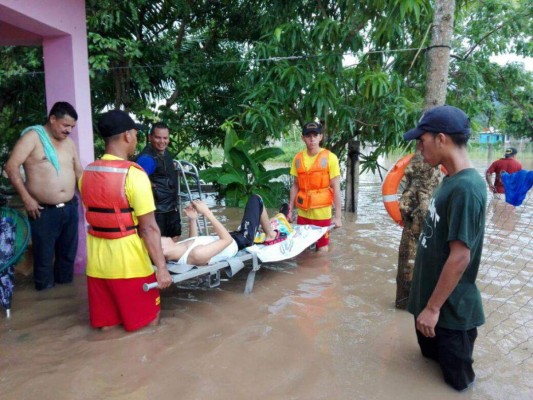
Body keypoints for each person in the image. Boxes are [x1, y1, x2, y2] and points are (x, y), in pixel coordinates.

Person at [403, 105, 487, 391]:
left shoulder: (467, 188)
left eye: (421, 139)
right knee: (428, 371)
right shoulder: (449, 180)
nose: (419, 146)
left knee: (458, 386)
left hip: (448, 315)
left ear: (441, 139)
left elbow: (461, 256)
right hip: (429, 309)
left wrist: (433, 308)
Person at [79, 110, 172, 332]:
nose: (136, 138)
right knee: (149, 321)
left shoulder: (86, 174)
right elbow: (149, 228)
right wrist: (161, 268)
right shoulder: (134, 175)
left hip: (97, 266)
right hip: (129, 265)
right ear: (128, 136)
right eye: (135, 133)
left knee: (107, 327)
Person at [5, 102, 82, 291]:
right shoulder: (33, 138)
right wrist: (26, 198)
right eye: (65, 125)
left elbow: (78, 172)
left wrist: (91, 199)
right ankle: (45, 296)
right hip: (43, 211)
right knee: (44, 258)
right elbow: (11, 167)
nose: (69, 130)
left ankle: (64, 299)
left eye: (72, 127)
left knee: (67, 257)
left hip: (71, 208)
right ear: (53, 119)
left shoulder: (69, 144)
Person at [162, 195, 282, 265]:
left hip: (231, 236)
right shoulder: (197, 254)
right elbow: (227, 240)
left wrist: (192, 220)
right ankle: (270, 235)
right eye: (158, 239)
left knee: (252, 217)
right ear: (162, 250)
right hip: (240, 240)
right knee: (256, 199)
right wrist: (207, 212)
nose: (160, 236)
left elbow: (194, 240)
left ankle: (265, 225)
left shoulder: (178, 248)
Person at [287, 121, 342, 252]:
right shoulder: (297, 159)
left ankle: (321, 272)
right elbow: (295, 185)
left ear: (320, 137)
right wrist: (290, 209)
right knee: (302, 248)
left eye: (315, 135)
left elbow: (336, 187)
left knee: (322, 249)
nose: (312, 139)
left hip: (322, 213)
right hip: (303, 213)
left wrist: (338, 216)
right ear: (303, 138)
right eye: (308, 135)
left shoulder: (331, 158)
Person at [136, 123, 181, 240]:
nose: (162, 141)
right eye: (158, 137)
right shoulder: (147, 159)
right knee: (158, 245)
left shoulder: (166, 154)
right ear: (150, 137)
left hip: (171, 207)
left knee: (175, 238)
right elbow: (135, 182)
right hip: (156, 212)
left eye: (165, 138)